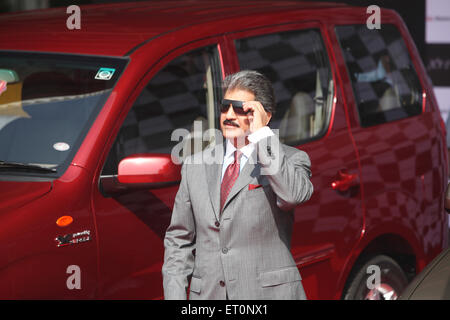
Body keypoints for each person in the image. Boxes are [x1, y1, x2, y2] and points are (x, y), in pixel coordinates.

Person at [162, 70, 313, 300]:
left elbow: (292, 195)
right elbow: (179, 240)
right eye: (225, 107)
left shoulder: (290, 160)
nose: (229, 115)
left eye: (241, 108)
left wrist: (262, 134)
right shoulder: (195, 165)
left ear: (264, 115)